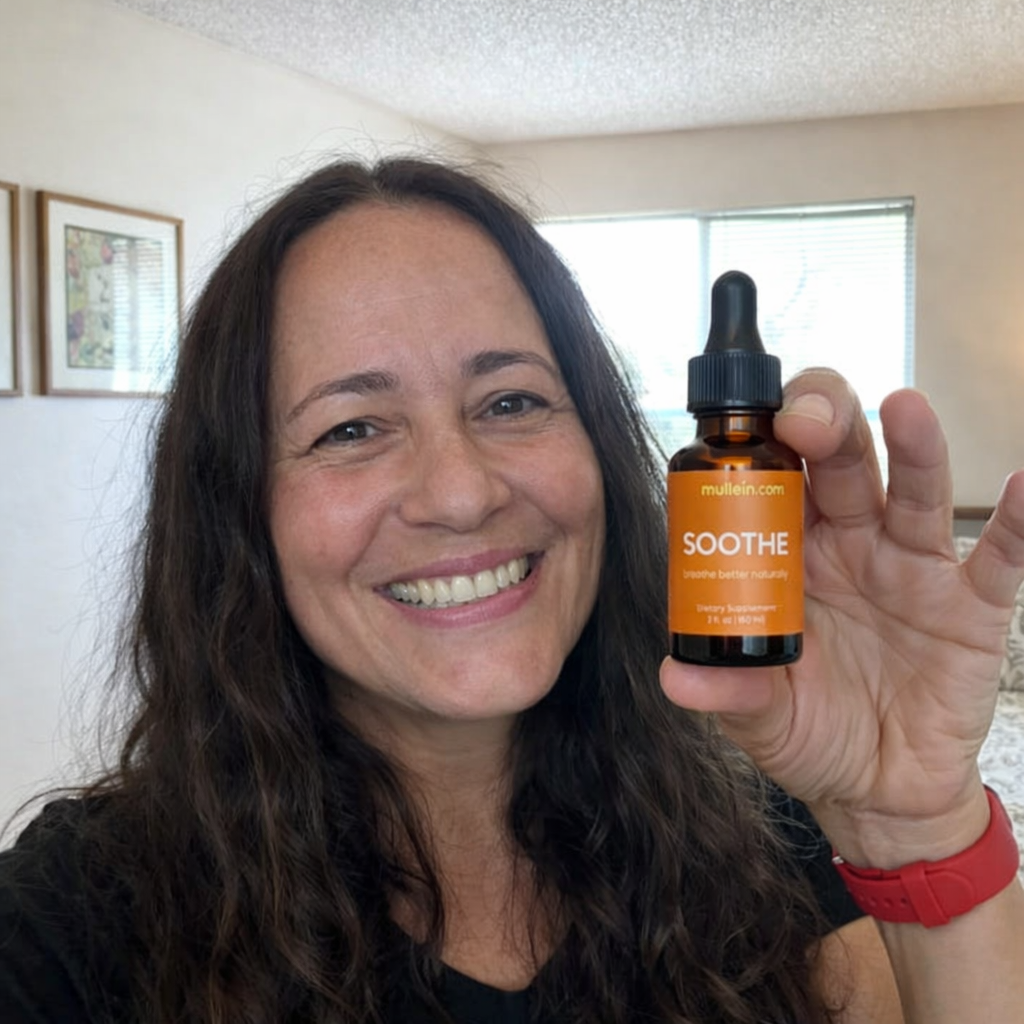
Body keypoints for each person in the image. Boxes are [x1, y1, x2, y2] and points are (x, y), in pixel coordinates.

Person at [0, 156, 1021, 1024]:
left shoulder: (770, 824)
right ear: (237, 512)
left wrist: (916, 825)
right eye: (351, 427)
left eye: (512, 399)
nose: (459, 492)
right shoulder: (83, 914)